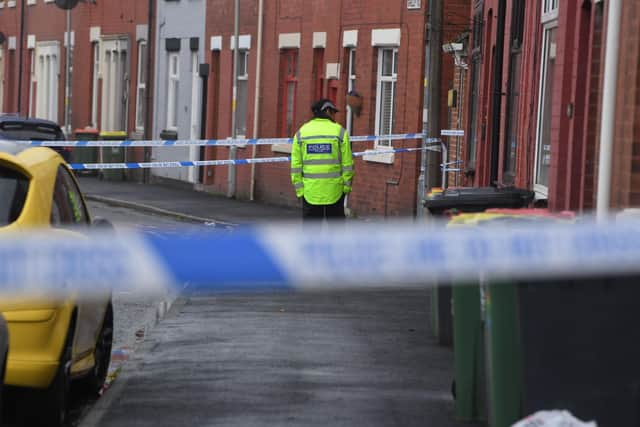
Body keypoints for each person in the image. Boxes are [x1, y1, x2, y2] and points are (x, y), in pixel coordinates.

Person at [290, 99, 354, 221]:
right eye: (333, 112)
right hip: (335, 191)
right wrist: (346, 188)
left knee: (311, 235)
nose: (334, 115)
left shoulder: (302, 132)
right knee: (335, 234)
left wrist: (299, 190)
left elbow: (296, 165)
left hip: (310, 192)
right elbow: (348, 164)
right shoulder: (340, 132)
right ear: (327, 111)